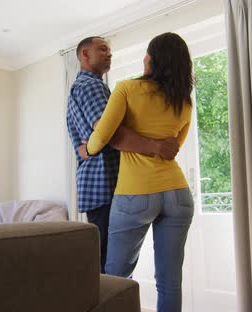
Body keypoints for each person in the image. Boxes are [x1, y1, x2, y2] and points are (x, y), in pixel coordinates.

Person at [84, 32, 195, 312]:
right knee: (170, 282)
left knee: (115, 278)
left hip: (136, 194)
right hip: (178, 195)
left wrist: (88, 147)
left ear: (152, 59)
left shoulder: (126, 89)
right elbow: (173, 148)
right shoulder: (184, 101)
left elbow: (102, 137)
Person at [66, 36, 180, 274]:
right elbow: (108, 131)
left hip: (100, 185)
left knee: (107, 264)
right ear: (84, 55)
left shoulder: (92, 85)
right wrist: (157, 146)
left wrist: (88, 148)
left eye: (110, 50)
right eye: (103, 49)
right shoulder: (91, 85)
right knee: (110, 268)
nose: (109, 54)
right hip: (104, 183)